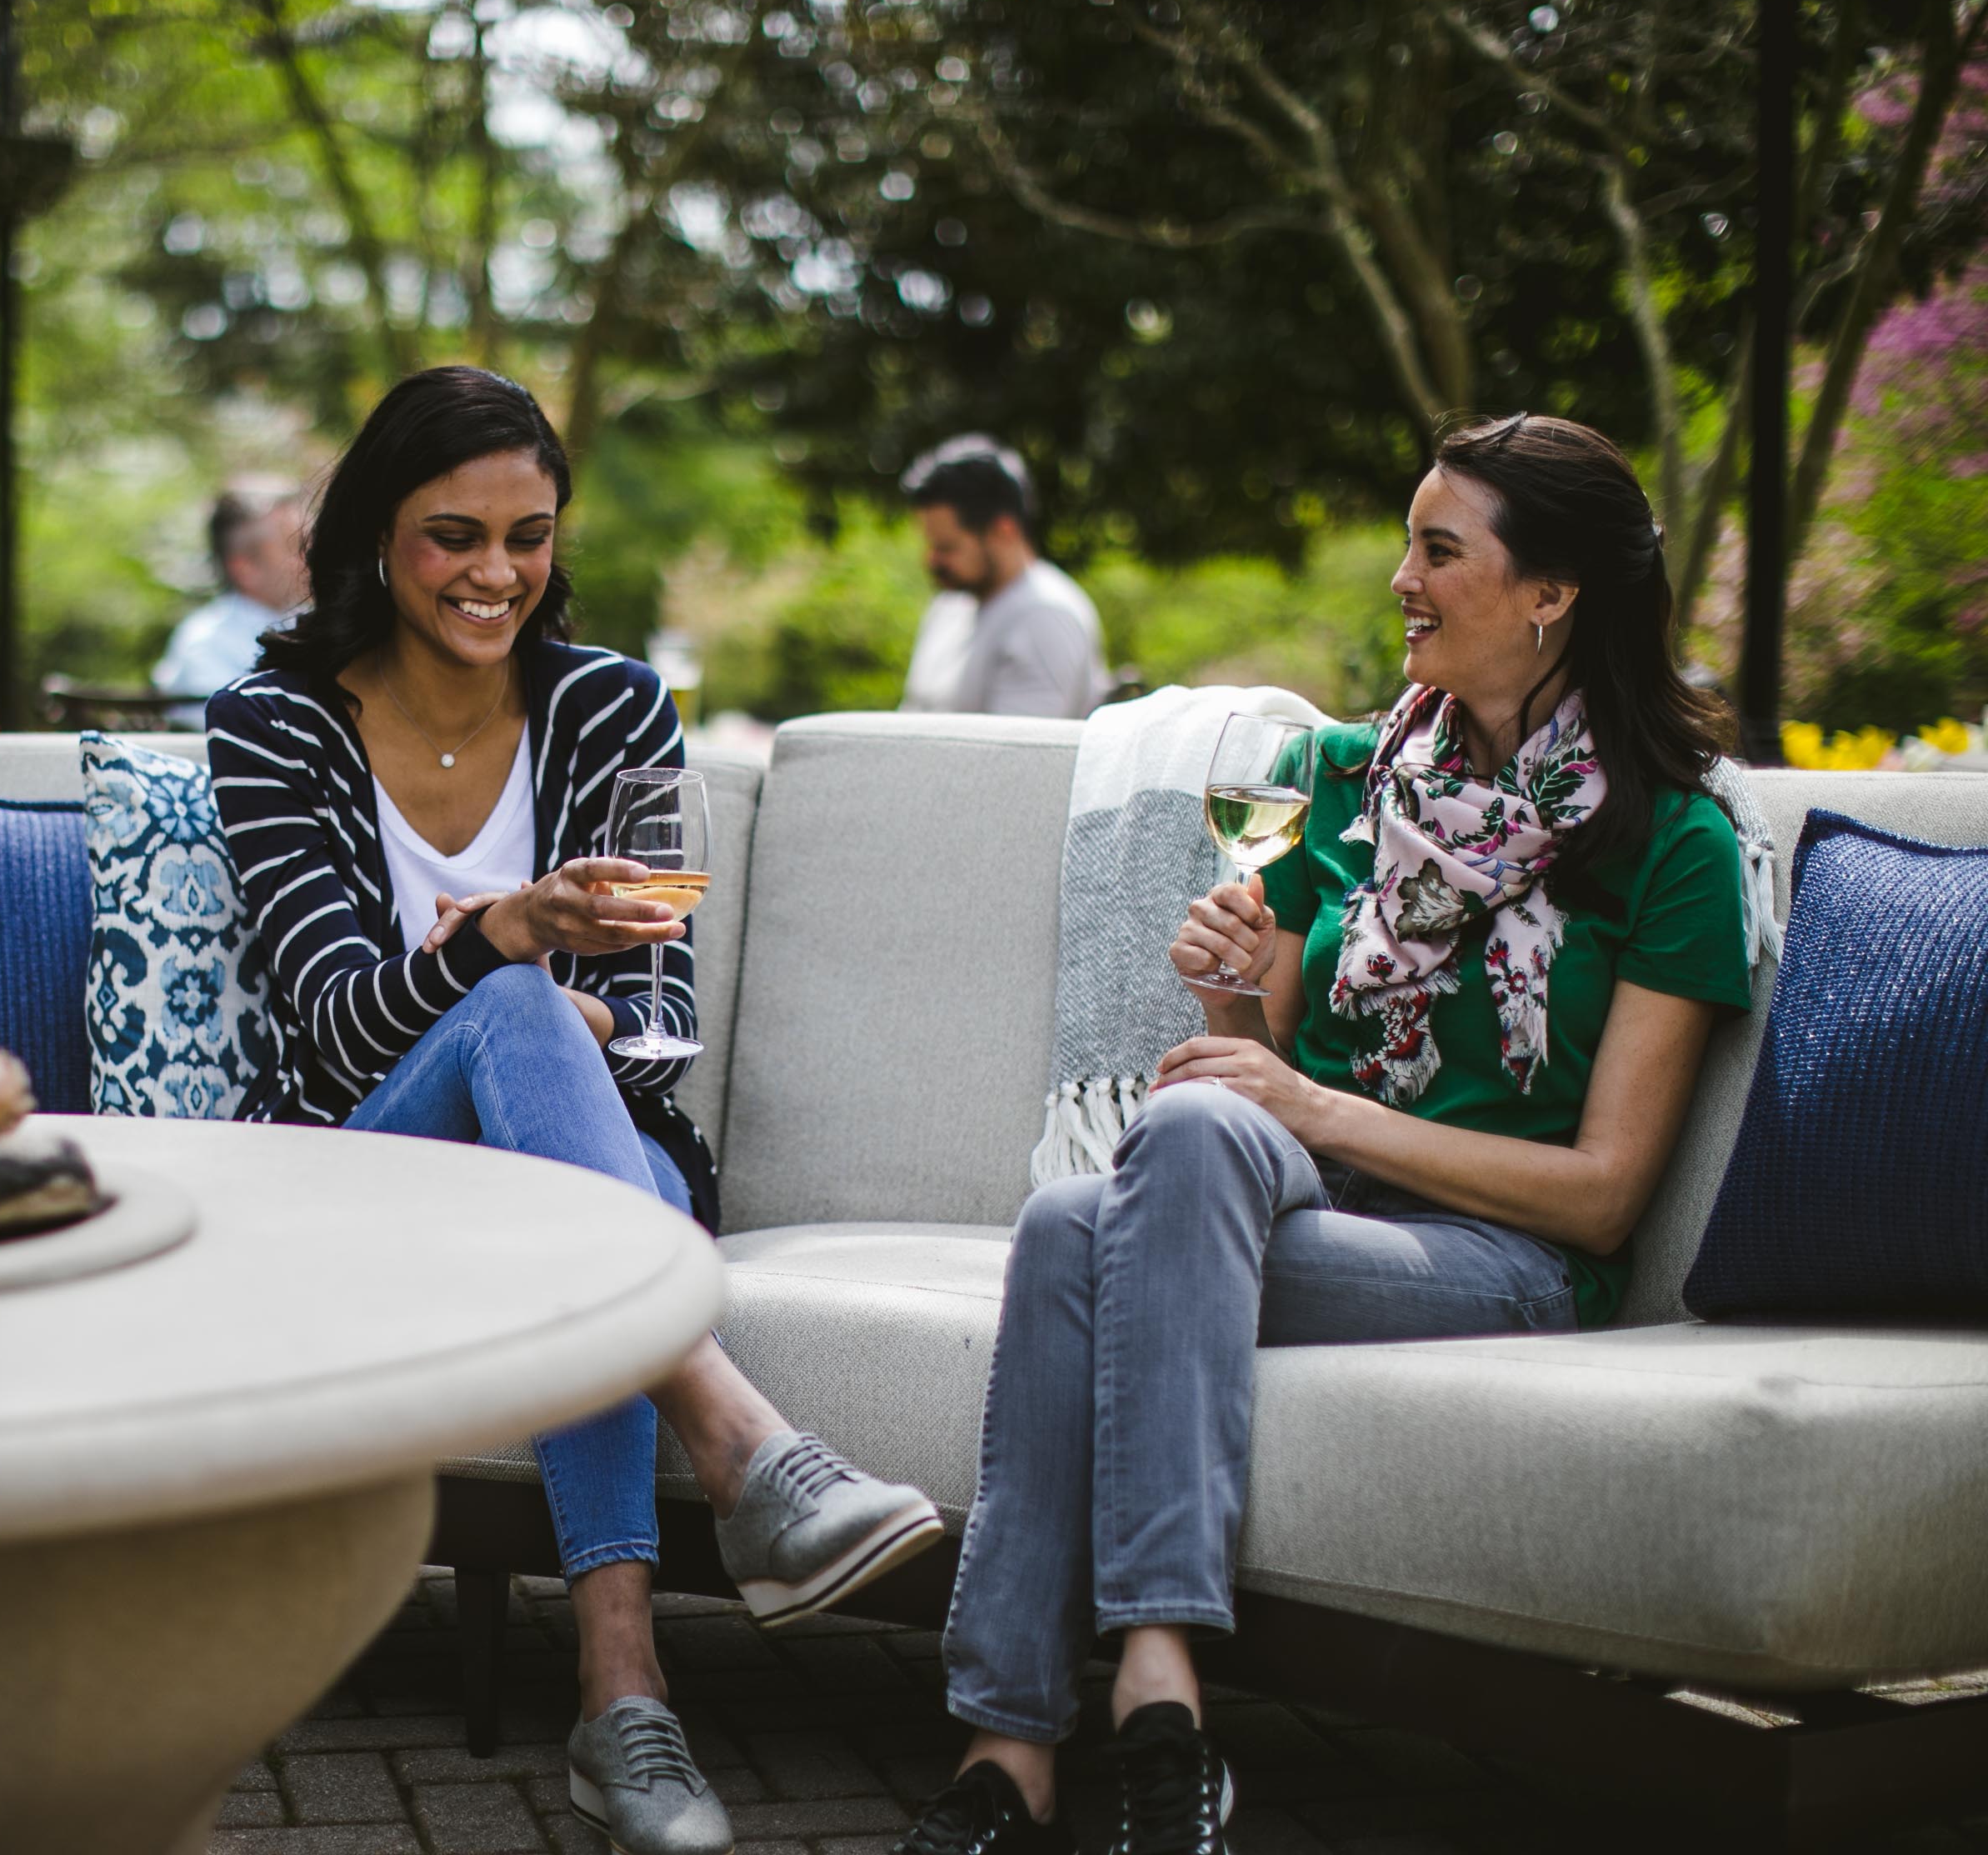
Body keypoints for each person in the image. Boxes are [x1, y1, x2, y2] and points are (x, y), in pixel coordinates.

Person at [896, 415, 1753, 1855]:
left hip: (1504, 1258)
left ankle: (1013, 1747)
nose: (1402, 581)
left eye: (1440, 551)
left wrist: (1309, 1104)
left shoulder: (1674, 841)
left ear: (1553, 593)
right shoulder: (1347, 776)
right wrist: (1231, 991)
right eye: (1407, 545)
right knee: (1179, 1136)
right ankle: (1152, 1706)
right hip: (1303, 1197)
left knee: (1065, 1235)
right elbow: (1260, 1070)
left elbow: (1603, 1199)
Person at [208, 367, 943, 1855]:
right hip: (360, 1159)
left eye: (527, 536)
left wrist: (536, 996)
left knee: (587, 1144)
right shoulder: (273, 728)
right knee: (525, 1013)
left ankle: (625, 1698)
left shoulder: (610, 707)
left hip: (580, 1156)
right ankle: (744, 1448)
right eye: (452, 537)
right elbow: (341, 1032)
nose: (497, 574)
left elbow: (659, 1020)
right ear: (374, 539)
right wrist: (506, 947)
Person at [900, 436, 1106, 719]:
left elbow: (1014, 758)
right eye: (931, 545)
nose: (931, 560)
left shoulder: (1044, 617)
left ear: (1004, 531)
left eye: (946, 547)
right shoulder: (951, 605)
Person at [153, 484, 311, 722]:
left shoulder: (323, 622)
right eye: (295, 545)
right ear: (246, 568)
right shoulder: (207, 644)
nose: (311, 556)